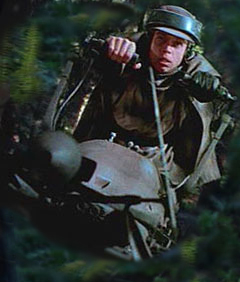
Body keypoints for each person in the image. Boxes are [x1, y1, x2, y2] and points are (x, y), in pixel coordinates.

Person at [74, 4, 228, 199]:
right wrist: (111, 53)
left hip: (160, 160)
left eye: (177, 44)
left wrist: (207, 90)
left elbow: (214, 105)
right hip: (106, 143)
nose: (166, 51)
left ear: (187, 50)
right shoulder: (130, 52)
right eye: (161, 40)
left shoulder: (198, 74)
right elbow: (100, 59)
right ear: (150, 38)